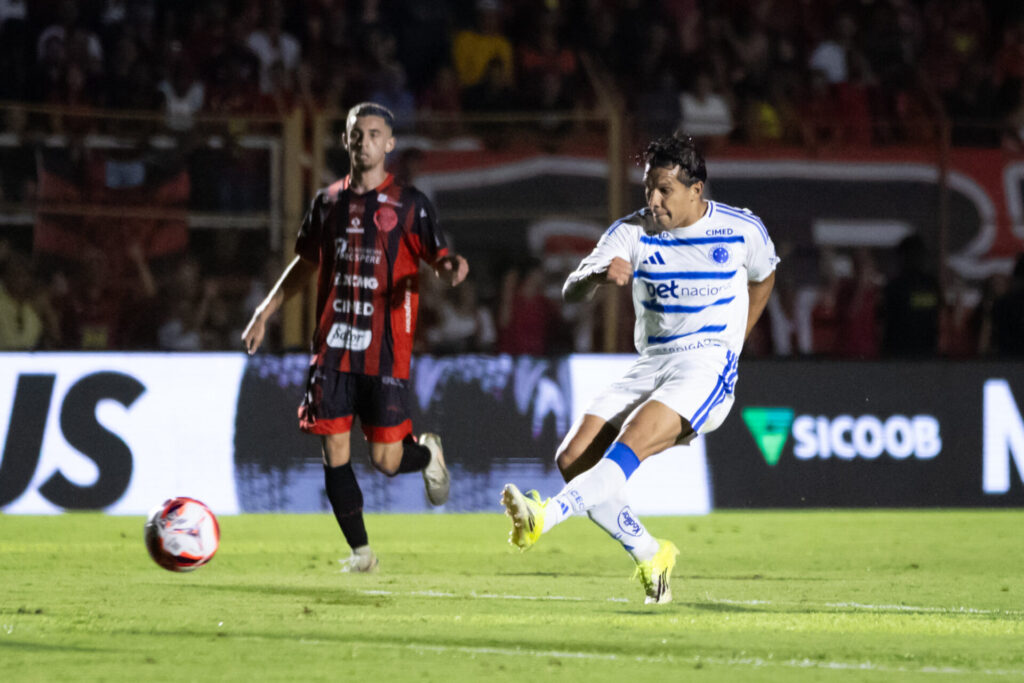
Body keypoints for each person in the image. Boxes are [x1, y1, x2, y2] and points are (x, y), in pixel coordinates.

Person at [500, 135, 777, 604]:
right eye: (649, 187)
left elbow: (765, 274)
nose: (653, 200)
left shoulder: (741, 229)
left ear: (696, 190)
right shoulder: (631, 231)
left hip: (706, 364)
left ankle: (543, 518)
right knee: (573, 458)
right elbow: (569, 290)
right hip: (652, 363)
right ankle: (652, 555)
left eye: (665, 189)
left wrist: (736, 344)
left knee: (624, 449)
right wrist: (595, 276)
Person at [242, 102, 469, 572]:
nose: (363, 140)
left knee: (387, 461)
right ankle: (362, 553)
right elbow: (304, 263)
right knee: (335, 452)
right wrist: (266, 311)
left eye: (373, 133)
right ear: (344, 141)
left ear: (389, 143)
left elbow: (441, 257)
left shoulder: (410, 204)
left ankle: (426, 454)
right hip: (332, 350)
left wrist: (450, 267)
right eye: (355, 133)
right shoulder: (327, 202)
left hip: (385, 353)